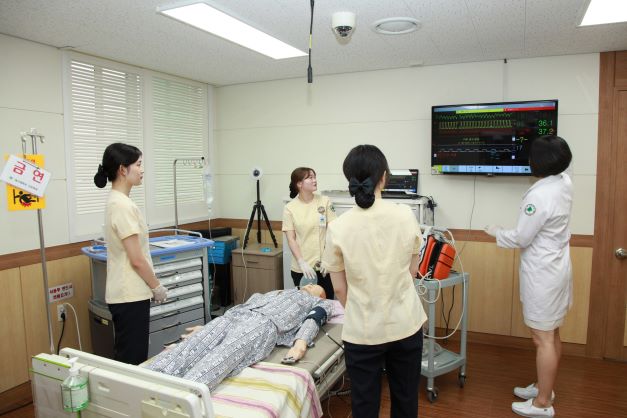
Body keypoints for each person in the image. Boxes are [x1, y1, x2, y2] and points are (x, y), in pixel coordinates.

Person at [321, 145, 427, 418]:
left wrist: (361, 308)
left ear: (350, 180)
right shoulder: (405, 215)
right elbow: (412, 271)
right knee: (406, 400)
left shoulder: (338, 227)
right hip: (405, 323)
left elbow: (339, 288)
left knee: (364, 405)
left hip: (363, 330)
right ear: (383, 177)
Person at [485, 135, 573, 418]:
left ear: (539, 162)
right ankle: (544, 388)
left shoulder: (539, 195)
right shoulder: (564, 182)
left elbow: (522, 237)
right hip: (556, 267)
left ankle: (543, 403)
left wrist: (496, 232)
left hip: (543, 274)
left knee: (542, 338)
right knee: (552, 331)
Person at [145, 284, 333, 390]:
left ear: (322, 296)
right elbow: (248, 303)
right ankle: (147, 379)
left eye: (316, 287)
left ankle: (184, 396)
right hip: (234, 316)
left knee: (220, 357)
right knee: (191, 347)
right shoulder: (278, 292)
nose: (310, 285)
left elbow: (313, 320)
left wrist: (300, 345)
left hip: (263, 324)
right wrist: (206, 329)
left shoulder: (318, 302)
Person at [94, 143, 167, 365]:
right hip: (130, 295)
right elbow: (136, 260)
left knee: (130, 355)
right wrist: (157, 287)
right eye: (138, 164)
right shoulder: (122, 206)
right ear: (122, 169)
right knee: (132, 360)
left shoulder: (118, 201)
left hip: (128, 293)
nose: (142, 170)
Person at [282, 167, 336, 299]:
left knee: (327, 304)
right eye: (310, 178)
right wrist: (301, 262)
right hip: (303, 269)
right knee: (306, 305)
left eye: (314, 177)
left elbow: (333, 231)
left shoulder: (325, 201)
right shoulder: (290, 208)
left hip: (324, 267)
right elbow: (291, 239)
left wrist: (328, 257)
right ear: (299, 184)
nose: (314, 180)